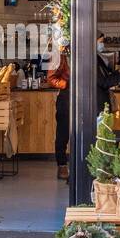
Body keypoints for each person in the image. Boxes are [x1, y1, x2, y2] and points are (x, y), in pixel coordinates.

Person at [47, 48, 70, 180]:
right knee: (63, 133)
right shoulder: (59, 55)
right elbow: (51, 78)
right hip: (66, 96)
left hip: (83, 95)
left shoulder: (85, 52)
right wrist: (66, 84)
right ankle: (62, 165)